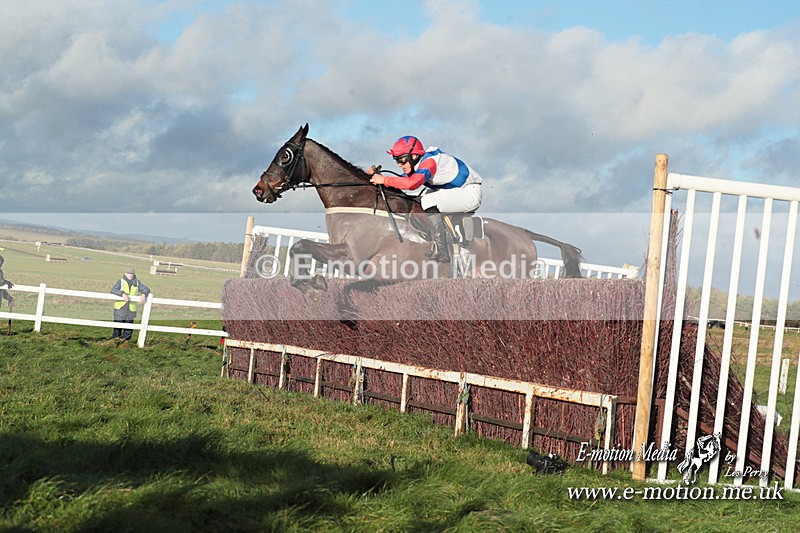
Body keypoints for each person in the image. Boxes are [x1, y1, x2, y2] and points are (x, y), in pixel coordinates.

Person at [367, 135, 482, 263]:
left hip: (469, 193)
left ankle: (442, 249)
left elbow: (411, 184)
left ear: (414, 156)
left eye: (402, 160)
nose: (399, 164)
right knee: (419, 199)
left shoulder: (429, 162)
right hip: (453, 191)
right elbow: (402, 182)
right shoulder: (420, 163)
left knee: (428, 200)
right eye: (396, 160)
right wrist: (376, 178)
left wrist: (384, 180)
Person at [111, 267, 151, 341]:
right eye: (129, 273)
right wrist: (122, 294)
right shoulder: (120, 281)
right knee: (117, 329)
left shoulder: (137, 283)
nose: (130, 275)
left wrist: (144, 294)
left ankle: (125, 344)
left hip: (130, 310)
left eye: (132, 274)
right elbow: (113, 290)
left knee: (128, 330)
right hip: (120, 309)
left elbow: (146, 289)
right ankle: (114, 343)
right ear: (125, 274)